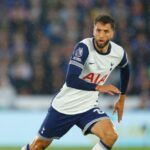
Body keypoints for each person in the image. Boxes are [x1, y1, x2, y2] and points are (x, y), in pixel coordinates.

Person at [21, 15, 130, 150]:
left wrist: (122, 98)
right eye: (98, 30)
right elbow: (71, 80)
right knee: (38, 146)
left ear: (112, 33)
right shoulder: (83, 48)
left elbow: (125, 68)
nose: (101, 35)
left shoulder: (118, 52)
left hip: (88, 107)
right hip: (65, 106)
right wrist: (99, 87)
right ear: (93, 30)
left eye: (106, 31)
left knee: (111, 135)